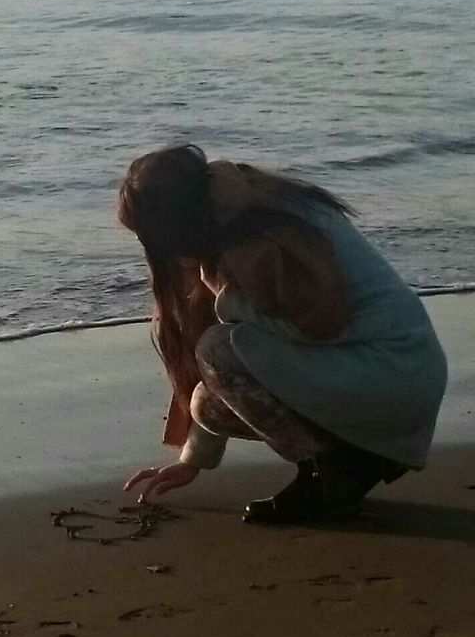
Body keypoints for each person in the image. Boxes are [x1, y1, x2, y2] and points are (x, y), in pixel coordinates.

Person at [119, 144, 448, 524]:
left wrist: (227, 304)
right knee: (208, 401)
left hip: (391, 376)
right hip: (397, 376)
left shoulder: (260, 238)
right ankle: (351, 463)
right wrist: (192, 461)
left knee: (218, 351)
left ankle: (334, 475)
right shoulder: (248, 204)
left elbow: (318, 325)